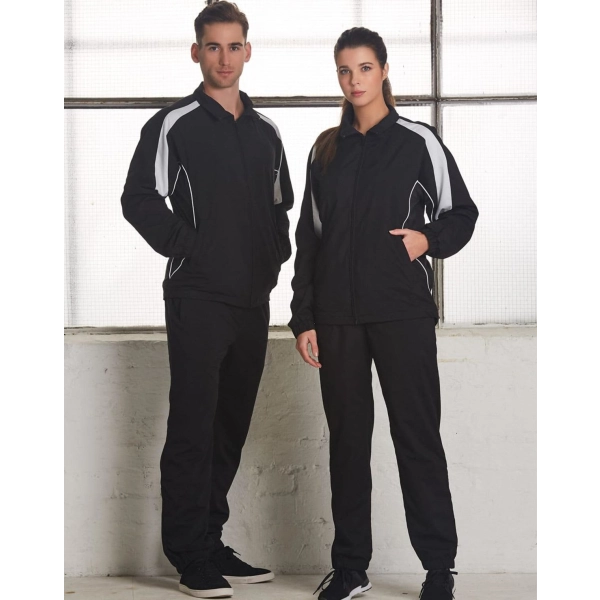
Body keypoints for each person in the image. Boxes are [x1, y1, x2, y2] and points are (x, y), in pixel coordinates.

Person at [290, 27, 478, 600]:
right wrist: (304, 317)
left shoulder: (419, 141)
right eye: (345, 71)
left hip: (401, 313)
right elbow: (309, 239)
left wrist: (427, 240)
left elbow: (462, 213)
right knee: (347, 443)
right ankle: (351, 568)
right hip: (337, 318)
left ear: (385, 70)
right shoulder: (325, 150)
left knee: (416, 437)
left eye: (365, 68)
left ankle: (439, 568)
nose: (355, 81)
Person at [121, 1, 293, 597]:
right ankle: (188, 554)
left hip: (251, 301)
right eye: (213, 46)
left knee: (229, 426)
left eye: (234, 46)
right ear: (196, 52)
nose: (224, 58)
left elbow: (280, 208)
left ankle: (211, 540)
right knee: (193, 427)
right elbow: (139, 198)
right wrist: (191, 248)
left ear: (248, 51)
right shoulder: (174, 124)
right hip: (196, 296)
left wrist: (272, 259)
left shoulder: (266, 132)